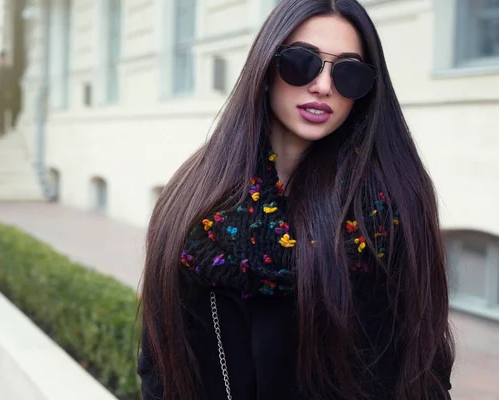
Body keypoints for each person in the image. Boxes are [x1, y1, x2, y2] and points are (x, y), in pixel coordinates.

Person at [138, 1, 455, 399]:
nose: (323, 85)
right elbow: (158, 365)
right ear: (266, 68)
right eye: (302, 62)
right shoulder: (195, 198)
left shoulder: (388, 208)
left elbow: (424, 371)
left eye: (348, 73)